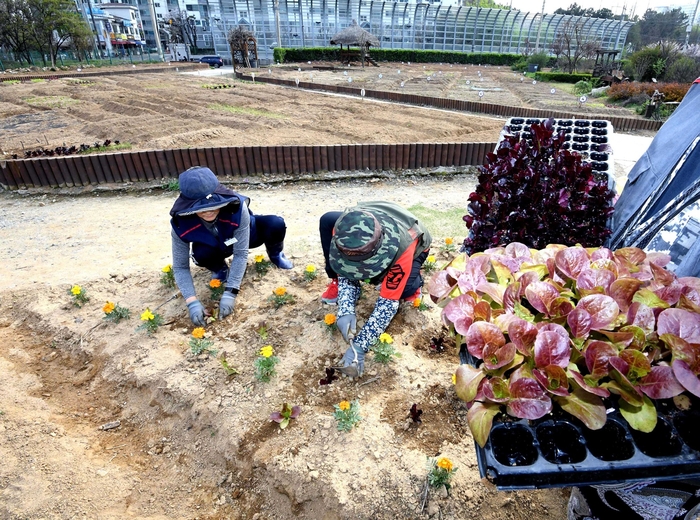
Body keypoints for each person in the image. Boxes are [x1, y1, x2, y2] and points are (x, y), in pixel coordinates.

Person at [319, 201, 432, 376]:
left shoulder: (403, 245)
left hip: (416, 245)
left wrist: (360, 346)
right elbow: (344, 268)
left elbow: (387, 304)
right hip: (376, 225)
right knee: (326, 220)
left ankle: (415, 283)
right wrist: (346, 308)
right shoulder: (342, 232)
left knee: (403, 289)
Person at [170, 166, 293, 326]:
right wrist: (192, 302)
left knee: (275, 224)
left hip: (246, 237)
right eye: (201, 209)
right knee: (201, 254)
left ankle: (276, 254)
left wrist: (231, 292)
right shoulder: (181, 224)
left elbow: (241, 254)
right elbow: (180, 267)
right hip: (213, 247)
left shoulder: (236, 208)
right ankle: (220, 269)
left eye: (213, 205)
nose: (209, 212)